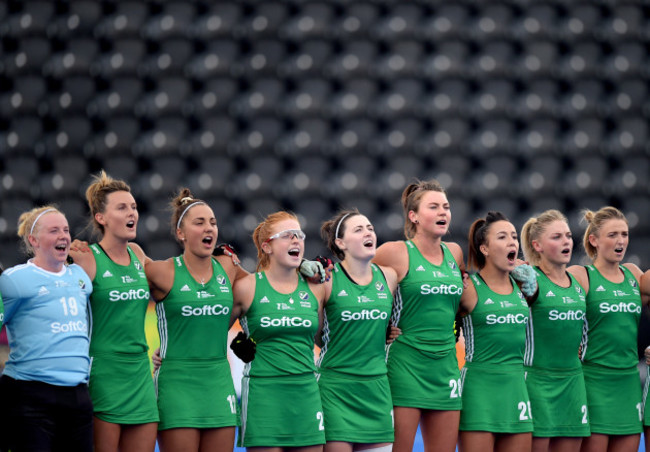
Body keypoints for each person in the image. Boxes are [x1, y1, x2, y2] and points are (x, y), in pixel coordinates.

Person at [145, 189, 246, 451]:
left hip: (219, 383)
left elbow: (263, 287)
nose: (208, 228)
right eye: (199, 222)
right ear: (181, 233)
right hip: (177, 385)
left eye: (212, 222)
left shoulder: (228, 267)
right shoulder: (162, 271)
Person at [372, 179, 465, 452]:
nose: (443, 213)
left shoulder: (455, 252)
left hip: (446, 365)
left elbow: (460, 300)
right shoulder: (395, 252)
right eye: (433, 207)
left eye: (446, 207)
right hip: (405, 365)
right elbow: (359, 284)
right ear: (413, 216)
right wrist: (383, 327)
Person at [69, 171, 158, 452]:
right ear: (101, 218)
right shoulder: (86, 258)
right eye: (122, 207)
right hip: (103, 375)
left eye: (133, 207)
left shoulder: (138, 254)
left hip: (140, 374)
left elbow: (173, 289)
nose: (132, 212)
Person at [231, 211, 327, 451]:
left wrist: (390, 331)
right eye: (287, 235)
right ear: (267, 246)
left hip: (306, 392)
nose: (296, 240)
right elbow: (213, 329)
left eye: (299, 235)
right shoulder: (247, 287)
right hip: (264, 394)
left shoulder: (316, 288)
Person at [0, 206, 94, 451]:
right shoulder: (14, 280)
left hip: (78, 396)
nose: (63, 235)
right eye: (54, 231)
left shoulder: (80, 277)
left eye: (65, 230)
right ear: (34, 240)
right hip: (31, 396)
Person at [567, 207, 650, 452]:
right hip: (593, 382)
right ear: (594, 240)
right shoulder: (581, 275)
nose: (621, 240)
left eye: (624, 234)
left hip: (628, 383)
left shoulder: (634, 275)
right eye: (612, 234)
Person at [317, 209, 399, 452]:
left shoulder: (389, 277)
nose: (368, 233)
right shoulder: (328, 279)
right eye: (359, 229)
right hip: (335, 389)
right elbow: (316, 332)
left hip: (377, 390)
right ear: (340, 243)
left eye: (370, 228)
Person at [458, 211, 534, 452]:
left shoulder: (524, 286)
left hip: (516, 389)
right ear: (484, 249)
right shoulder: (469, 287)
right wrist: (393, 330)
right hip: (479, 391)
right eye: (502, 237)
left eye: (513, 236)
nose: (512, 242)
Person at [520, 210, 590, 452]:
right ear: (537, 245)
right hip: (536, 383)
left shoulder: (579, 283)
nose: (566, 242)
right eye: (557, 237)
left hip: (573, 384)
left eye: (568, 236)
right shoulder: (529, 282)